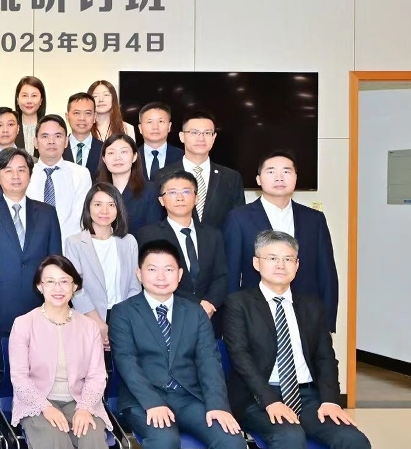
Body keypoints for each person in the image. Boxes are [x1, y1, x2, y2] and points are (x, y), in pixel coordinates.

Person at [223, 231, 389, 449]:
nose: (280, 265)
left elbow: (326, 359)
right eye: (272, 258)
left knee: (354, 441)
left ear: (297, 266)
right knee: (288, 436)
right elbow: (240, 358)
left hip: (309, 394)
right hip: (259, 396)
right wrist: (269, 400)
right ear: (257, 263)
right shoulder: (239, 303)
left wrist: (331, 400)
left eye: (287, 259)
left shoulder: (312, 305)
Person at [109, 240, 249, 449]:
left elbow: (209, 362)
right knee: (162, 436)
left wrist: (217, 405)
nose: (161, 276)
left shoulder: (194, 312)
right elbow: (127, 364)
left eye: (169, 269)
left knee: (230, 438)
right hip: (144, 400)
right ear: (139, 274)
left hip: (189, 397)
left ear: (180, 274)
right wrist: (151, 402)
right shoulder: (123, 313)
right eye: (153, 269)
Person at [10, 256, 114, 449]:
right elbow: (19, 377)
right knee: (55, 436)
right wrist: (45, 406)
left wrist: (84, 407)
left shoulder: (88, 327)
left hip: (80, 400)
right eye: (51, 281)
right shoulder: (24, 324)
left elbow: (97, 375)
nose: (58, 287)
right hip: (36, 402)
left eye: (65, 281)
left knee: (92, 434)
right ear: (40, 286)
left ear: (75, 287)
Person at [224, 150, 338, 331]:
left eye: (286, 171)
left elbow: (327, 273)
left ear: (295, 178)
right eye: (271, 172)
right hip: (255, 316)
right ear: (259, 180)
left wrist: (328, 322)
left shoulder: (314, 219)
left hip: (306, 315)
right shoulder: (238, 218)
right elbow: (231, 273)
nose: (279, 177)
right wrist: (231, 324)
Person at [0, 149, 62, 366]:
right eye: (8, 171)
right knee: (5, 373)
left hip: (39, 306)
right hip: (1, 309)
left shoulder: (47, 213)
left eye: (22, 170)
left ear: (30, 174)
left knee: (41, 370)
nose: (16, 176)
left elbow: (55, 264)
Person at [135, 171, 227, 324]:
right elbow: (151, 278)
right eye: (172, 192)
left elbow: (221, 275)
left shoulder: (213, 234)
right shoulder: (147, 235)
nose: (179, 198)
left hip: (209, 316)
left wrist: (210, 303)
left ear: (196, 198)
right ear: (161, 200)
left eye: (186, 191)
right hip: (167, 315)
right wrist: (196, 304)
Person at [64, 184, 141, 352]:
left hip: (124, 318)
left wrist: (123, 322)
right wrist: (97, 323)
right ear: (88, 207)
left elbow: (135, 286)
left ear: (118, 209)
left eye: (111, 204)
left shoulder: (129, 241)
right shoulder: (74, 242)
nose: (104, 210)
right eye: (98, 204)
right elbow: (75, 287)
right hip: (88, 317)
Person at [27, 114, 93, 241]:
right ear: (35, 142)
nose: (51, 141)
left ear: (66, 142)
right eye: (45, 136)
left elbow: (79, 219)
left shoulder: (81, 174)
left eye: (58, 136)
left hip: (69, 249)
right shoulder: (25, 174)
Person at [175, 110, 244, 230]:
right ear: (182, 137)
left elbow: (238, 222)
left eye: (207, 133)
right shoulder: (163, 175)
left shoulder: (231, 177)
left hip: (219, 246)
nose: (201, 138)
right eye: (194, 132)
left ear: (214, 137)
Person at [94, 133, 164, 231]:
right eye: (111, 153)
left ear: (134, 156)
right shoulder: (97, 191)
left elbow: (153, 231)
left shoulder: (150, 190)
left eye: (123, 152)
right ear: (104, 159)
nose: (117, 158)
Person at [136, 101, 182, 182]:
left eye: (161, 121)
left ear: (169, 126)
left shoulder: (182, 156)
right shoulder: (132, 157)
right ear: (140, 128)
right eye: (149, 122)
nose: (155, 127)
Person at [64, 92, 103, 177]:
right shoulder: (57, 148)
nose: (82, 118)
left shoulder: (105, 150)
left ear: (94, 117)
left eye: (88, 113)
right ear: (67, 117)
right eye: (76, 113)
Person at [14, 76, 46, 154]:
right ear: (17, 100)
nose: (29, 101)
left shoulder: (48, 126)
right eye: (24, 96)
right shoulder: (10, 126)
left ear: (41, 100)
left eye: (34, 96)